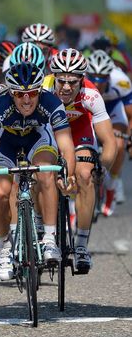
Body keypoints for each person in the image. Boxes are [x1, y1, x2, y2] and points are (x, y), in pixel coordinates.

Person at [0, 62, 76, 281]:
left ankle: (49, 239)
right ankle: (5, 247)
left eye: (32, 93)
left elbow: (66, 145)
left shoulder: (51, 102)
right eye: (19, 94)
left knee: (46, 173)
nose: (27, 99)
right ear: (10, 93)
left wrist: (68, 175)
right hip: (7, 143)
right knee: (0, 192)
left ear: (40, 90)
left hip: (37, 138)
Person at [44, 48, 117, 272]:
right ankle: (41, 230)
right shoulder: (43, 89)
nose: (66, 87)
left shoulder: (90, 94)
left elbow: (109, 141)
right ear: (54, 77)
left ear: (81, 80)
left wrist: (102, 169)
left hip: (79, 134)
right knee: (41, 173)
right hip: (49, 133)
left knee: (85, 175)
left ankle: (82, 245)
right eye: (62, 81)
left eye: (73, 82)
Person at [86, 49, 132, 214]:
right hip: (89, 109)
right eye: (93, 77)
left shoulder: (121, 82)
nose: (97, 83)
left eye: (102, 78)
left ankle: (111, 186)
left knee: (118, 145)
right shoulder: (81, 80)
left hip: (112, 109)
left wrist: (129, 139)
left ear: (109, 77)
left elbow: (130, 115)